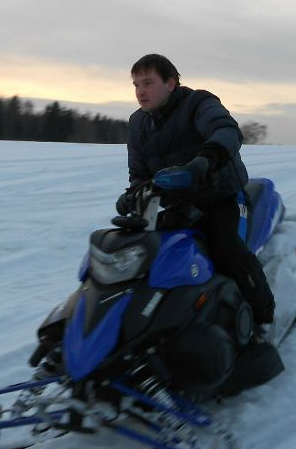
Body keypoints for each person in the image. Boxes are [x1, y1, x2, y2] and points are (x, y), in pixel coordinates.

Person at [117, 53, 275, 328]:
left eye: (148, 82)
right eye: (136, 84)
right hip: (179, 205)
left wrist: (204, 161)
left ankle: (263, 320)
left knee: (227, 250)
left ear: (171, 83)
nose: (141, 91)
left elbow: (226, 131)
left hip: (222, 196)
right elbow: (139, 173)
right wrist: (133, 195)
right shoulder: (138, 123)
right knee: (146, 257)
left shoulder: (198, 103)